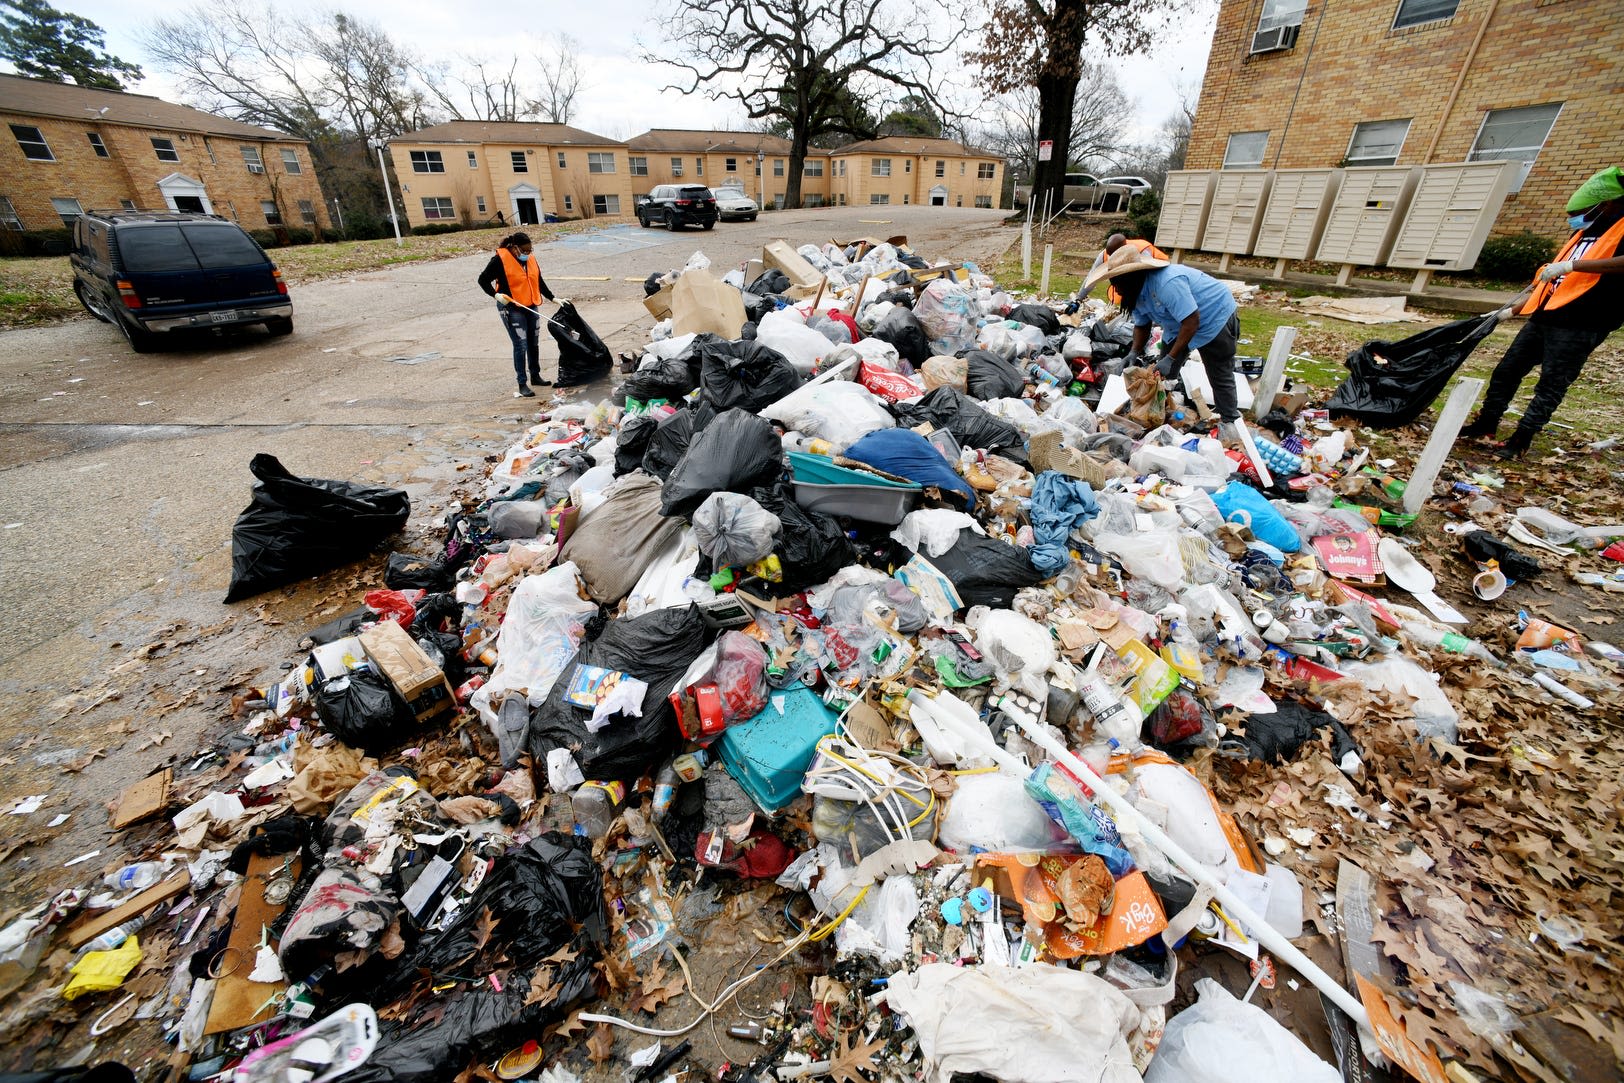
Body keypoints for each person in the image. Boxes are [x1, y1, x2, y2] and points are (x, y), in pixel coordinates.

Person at [1461, 166, 1624, 459]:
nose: (1577, 217)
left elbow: (1585, 270)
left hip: (1582, 323)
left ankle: (1521, 440)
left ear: (1607, 203)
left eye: (1585, 209)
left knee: (1551, 383)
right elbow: (1555, 284)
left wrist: (1573, 266)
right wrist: (1509, 312)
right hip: (1545, 316)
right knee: (1506, 371)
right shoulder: (1585, 233)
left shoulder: (1621, 228)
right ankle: (1487, 423)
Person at [1082, 244, 1243, 428]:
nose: (1116, 290)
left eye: (1118, 284)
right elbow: (1142, 326)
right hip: (1178, 325)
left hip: (1214, 316)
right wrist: (1133, 352)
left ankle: (1230, 424)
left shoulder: (1167, 283)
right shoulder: (1135, 293)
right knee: (1160, 375)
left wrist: (1171, 357)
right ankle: (1157, 415)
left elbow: (1191, 322)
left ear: (1131, 278)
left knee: (1219, 374)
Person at [477, 231, 556, 398]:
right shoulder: (500, 259)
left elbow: (538, 281)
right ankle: (522, 383)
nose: (527, 254)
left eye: (530, 250)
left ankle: (535, 375)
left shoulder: (530, 259)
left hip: (530, 304)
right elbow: (483, 279)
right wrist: (496, 295)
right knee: (520, 345)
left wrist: (553, 297)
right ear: (514, 248)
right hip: (511, 307)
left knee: (533, 342)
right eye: (524, 251)